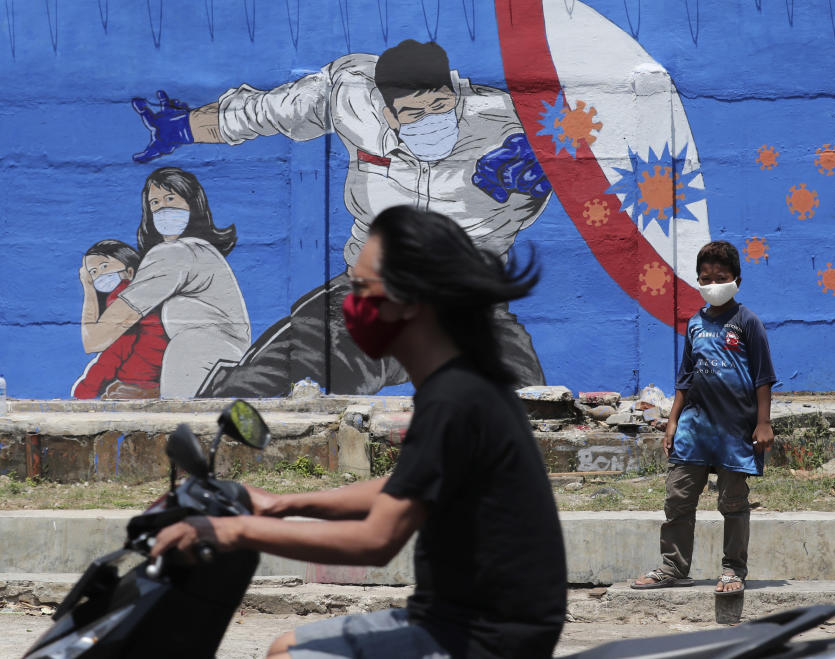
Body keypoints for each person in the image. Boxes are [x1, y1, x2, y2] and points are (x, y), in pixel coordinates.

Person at [151, 206, 568, 659]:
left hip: (485, 636)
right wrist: (284, 503)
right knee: (284, 644)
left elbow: (375, 541)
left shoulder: (456, 398)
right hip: (456, 617)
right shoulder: (459, 384)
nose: (349, 305)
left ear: (410, 299)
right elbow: (402, 486)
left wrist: (233, 531)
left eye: (362, 289)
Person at [130, 39, 552, 397]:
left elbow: (596, 157)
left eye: (441, 105)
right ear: (387, 112)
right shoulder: (350, 94)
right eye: (414, 113)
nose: (433, 120)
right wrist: (182, 127)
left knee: (533, 412)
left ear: (455, 90)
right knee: (251, 398)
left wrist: (550, 169)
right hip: (370, 296)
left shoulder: (512, 124)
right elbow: (265, 112)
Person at [631, 240, 776, 596]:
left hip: (736, 431)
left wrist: (763, 422)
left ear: (737, 280)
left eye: (721, 277)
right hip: (694, 429)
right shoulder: (694, 325)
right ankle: (673, 566)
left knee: (733, 503)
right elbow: (685, 377)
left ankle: (732, 570)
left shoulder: (748, 322)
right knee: (678, 498)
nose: (713, 284)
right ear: (697, 280)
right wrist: (672, 421)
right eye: (706, 278)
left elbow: (763, 377)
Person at [80, 168, 251, 399]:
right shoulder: (201, 250)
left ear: (192, 204)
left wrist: (89, 286)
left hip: (197, 358)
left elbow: (96, 339)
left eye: (170, 199)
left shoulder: (175, 254)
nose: (162, 208)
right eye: (155, 203)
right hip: (217, 362)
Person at [73, 240, 168, 399]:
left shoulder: (127, 301)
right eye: (93, 272)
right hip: (150, 377)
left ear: (130, 272)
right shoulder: (145, 300)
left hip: (140, 381)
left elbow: (111, 354)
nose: (100, 275)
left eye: (104, 267)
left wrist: (84, 392)